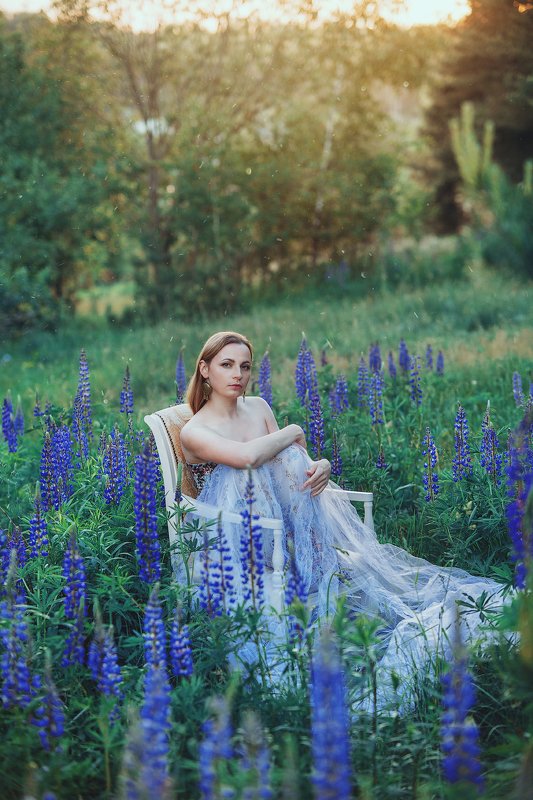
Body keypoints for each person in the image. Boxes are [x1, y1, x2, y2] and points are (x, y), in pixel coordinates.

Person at [180, 331, 504, 709]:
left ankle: (317, 564)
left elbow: (298, 463)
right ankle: (306, 573)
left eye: (245, 366)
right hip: (236, 539)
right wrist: (294, 430)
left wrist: (324, 465)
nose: (238, 374)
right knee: (246, 471)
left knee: (287, 457)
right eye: (227, 365)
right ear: (204, 369)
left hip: (283, 526)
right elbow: (248, 458)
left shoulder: (259, 408)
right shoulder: (194, 430)